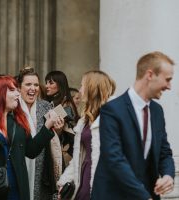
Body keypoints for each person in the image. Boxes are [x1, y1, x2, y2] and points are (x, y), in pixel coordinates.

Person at [91, 51, 175, 200]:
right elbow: (114, 159)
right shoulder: (112, 110)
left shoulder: (157, 111)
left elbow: (164, 152)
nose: (169, 86)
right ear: (150, 75)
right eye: (167, 80)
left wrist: (168, 175)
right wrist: (144, 196)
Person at [0, 75, 63, 200]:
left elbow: (31, 151)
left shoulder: (18, 122)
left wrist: (47, 126)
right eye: (12, 90)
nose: (17, 94)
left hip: (17, 186)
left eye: (17, 90)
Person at [57, 70, 116, 200]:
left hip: (103, 180)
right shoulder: (84, 120)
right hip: (83, 176)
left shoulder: (113, 116)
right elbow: (79, 155)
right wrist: (64, 181)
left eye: (82, 85)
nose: (80, 89)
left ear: (92, 88)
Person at [16, 67, 63, 200]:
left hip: (42, 166)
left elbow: (55, 140)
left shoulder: (46, 106)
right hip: (20, 163)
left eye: (36, 84)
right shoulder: (13, 107)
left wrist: (58, 130)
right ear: (19, 88)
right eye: (28, 84)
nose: (33, 88)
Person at [44, 71, 79, 196]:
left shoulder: (66, 104)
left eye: (51, 82)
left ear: (60, 85)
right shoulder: (54, 102)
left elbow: (50, 122)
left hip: (65, 154)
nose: (47, 85)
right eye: (46, 82)